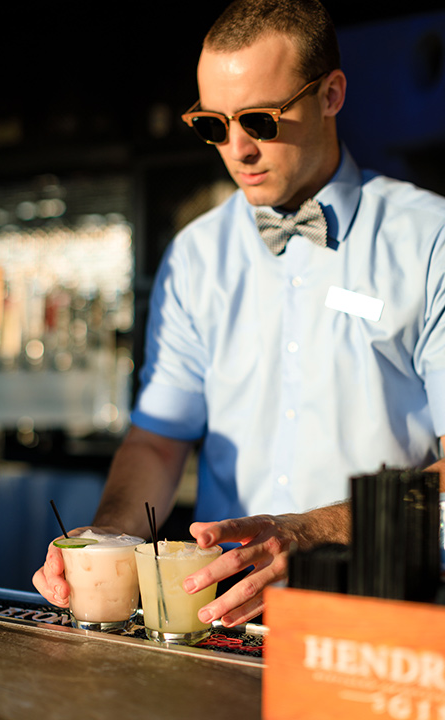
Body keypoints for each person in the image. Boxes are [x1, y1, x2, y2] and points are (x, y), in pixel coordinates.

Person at [33, 0, 445, 627]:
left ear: (332, 93)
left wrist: (314, 531)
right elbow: (158, 439)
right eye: (212, 125)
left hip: (381, 615)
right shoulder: (196, 256)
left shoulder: (430, 241)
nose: (237, 148)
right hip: (224, 621)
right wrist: (105, 539)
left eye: (259, 119)